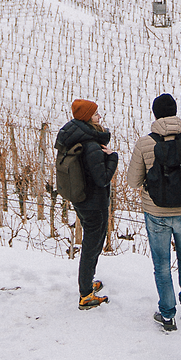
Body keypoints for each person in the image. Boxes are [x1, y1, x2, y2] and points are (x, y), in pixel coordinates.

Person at [125, 92, 181, 331]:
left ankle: (167, 315)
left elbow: (133, 181)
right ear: (175, 112)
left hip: (156, 213)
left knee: (162, 264)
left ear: (155, 115)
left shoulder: (144, 143)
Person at [55, 98, 118, 309]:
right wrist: (113, 158)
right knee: (92, 246)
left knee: (91, 245)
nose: (99, 116)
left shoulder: (74, 136)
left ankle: (87, 283)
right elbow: (102, 179)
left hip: (81, 199)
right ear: (88, 118)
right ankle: (85, 294)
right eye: (96, 114)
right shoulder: (91, 145)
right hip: (94, 203)